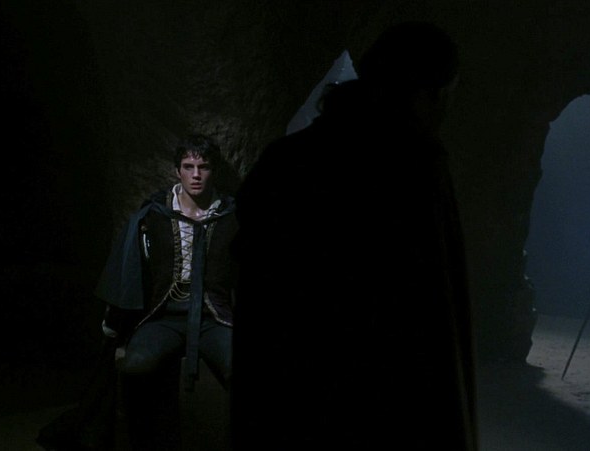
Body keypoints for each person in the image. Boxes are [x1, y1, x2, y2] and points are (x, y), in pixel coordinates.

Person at [230, 21, 477, 450]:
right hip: (381, 408)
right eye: (445, 96)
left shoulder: (283, 160)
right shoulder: (414, 166)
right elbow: (431, 315)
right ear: (425, 94)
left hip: (289, 401)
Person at [94, 134, 238, 451]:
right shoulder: (156, 215)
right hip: (164, 315)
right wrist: (117, 324)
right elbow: (130, 268)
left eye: (203, 167)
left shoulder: (232, 217)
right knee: (136, 365)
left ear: (213, 171)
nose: (196, 175)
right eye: (188, 167)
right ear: (177, 171)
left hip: (214, 316)